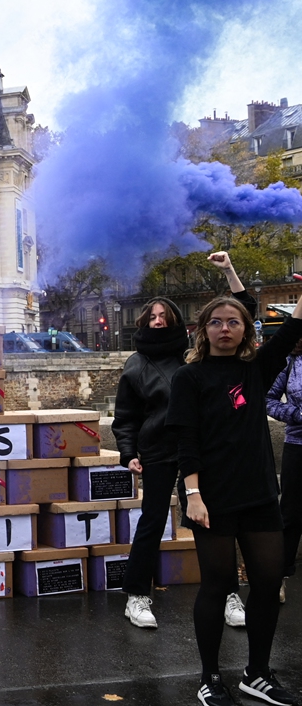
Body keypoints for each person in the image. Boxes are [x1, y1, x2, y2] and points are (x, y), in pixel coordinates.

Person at [167, 287, 302, 706]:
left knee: (266, 581)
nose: (225, 328)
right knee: (217, 585)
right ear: (203, 331)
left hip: (259, 494)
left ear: (246, 331)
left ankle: (257, 674)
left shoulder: (255, 371)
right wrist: (193, 493)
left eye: (234, 322)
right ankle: (210, 677)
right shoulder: (188, 378)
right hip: (211, 496)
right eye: (216, 322)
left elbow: (293, 328)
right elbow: (185, 439)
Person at [114, 252, 252, 630]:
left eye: (165, 317)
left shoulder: (195, 356)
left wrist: (228, 271)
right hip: (158, 450)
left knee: (215, 522)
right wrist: (129, 453)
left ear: (175, 322)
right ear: (145, 323)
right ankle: (137, 595)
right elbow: (126, 416)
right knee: (153, 521)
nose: (158, 321)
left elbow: (241, 312)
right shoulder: (135, 365)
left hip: (202, 449)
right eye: (153, 317)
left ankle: (227, 594)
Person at [265, 336, 302, 605]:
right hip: (297, 445)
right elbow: (267, 399)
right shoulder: (290, 362)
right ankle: (279, 577)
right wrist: (296, 414)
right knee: (290, 515)